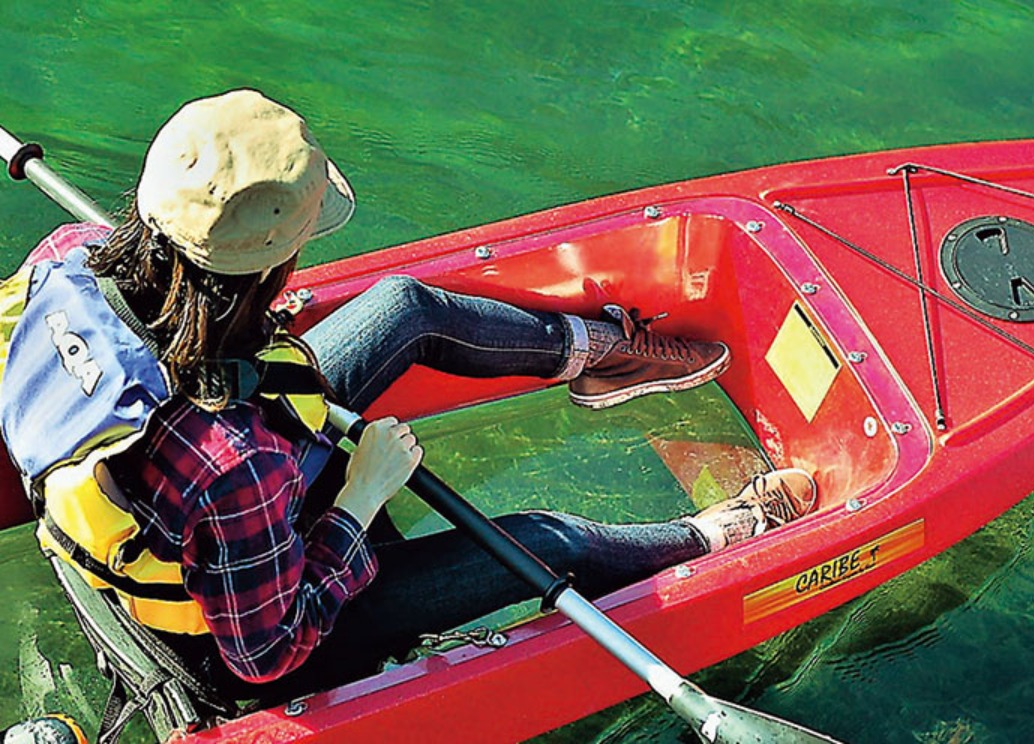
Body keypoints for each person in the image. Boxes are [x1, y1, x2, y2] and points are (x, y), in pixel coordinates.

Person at [0, 89, 817, 705]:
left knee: (403, 307)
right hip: (237, 631)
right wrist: (359, 502)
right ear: (268, 272)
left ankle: (598, 355)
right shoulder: (232, 464)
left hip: (205, 457)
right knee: (543, 539)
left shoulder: (65, 259)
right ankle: (715, 535)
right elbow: (270, 651)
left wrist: (253, 335)